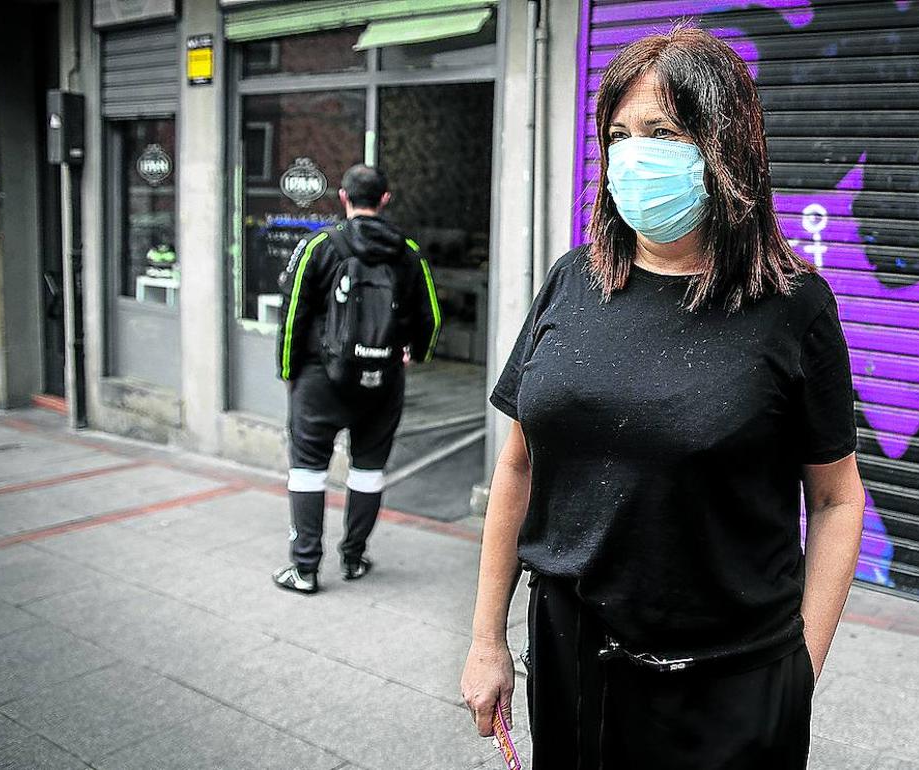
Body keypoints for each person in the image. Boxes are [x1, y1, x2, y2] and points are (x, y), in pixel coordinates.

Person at [461, 26, 865, 768]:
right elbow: (518, 466)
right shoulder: (571, 281)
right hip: (572, 659)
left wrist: (796, 674)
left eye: (661, 131)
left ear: (723, 148)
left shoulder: (794, 306)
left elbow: (838, 499)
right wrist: (488, 639)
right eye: (617, 133)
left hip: (730, 682)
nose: (632, 155)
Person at [272, 164, 441, 595]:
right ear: (385, 199)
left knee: (308, 471)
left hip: (319, 381)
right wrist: (413, 355)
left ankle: (305, 569)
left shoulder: (320, 246)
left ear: (344, 197)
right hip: (382, 379)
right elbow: (431, 318)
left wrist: (290, 371)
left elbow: (293, 314)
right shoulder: (408, 252)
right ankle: (353, 558)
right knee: (367, 471)